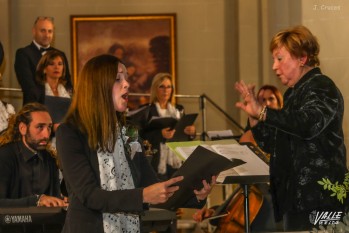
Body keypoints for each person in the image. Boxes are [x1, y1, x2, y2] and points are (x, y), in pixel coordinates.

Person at [55, 54, 215, 233]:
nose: (127, 84)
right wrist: (142, 196)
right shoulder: (69, 132)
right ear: (97, 87)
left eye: (126, 78)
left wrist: (194, 195)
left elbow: (152, 183)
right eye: (117, 79)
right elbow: (89, 195)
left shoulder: (129, 132)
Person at [234, 25, 348, 231]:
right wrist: (255, 120)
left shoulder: (322, 85)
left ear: (302, 58)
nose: (274, 67)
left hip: (321, 198)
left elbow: (307, 125)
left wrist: (263, 112)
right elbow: (274, 145)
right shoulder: (292, 94)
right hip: (296, 199)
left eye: (279, 58)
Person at [193, 85, 284, 232]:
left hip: (274, 213)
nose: (267, 103)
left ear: (280, 104)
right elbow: (244, 189)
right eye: (262, 100)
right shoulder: (249, 136)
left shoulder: (287, 137)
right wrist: (216, 211)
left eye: (271, 99)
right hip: (256, 211)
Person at [0, 102, 67, 208]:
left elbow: (54, 199)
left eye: (49, 127)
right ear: (23, 128)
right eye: (40, 127)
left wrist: (61, 201)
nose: (46, 134)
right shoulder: (4, 157)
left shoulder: (50, 159)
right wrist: (36, 201)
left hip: (45, 224)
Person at [136, 73, 196, 180]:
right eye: (162, 86)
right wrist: (160, 134)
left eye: (169, 87)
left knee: (176, 191)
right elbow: (140, 135)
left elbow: (184, 135)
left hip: (176, 160)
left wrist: (191, 132)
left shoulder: (179, 109)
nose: (166, 90)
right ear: (155, 89)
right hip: (156, 160)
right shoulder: (148, 110)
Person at [14, 16, 73, 106]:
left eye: (50, 31)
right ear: (34, 31)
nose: (47, 35)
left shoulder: (61, 54)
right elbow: (28, 87)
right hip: (35, 109)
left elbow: (68, 83)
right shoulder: (23, 54)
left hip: (62, 109)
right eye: (43, 31)